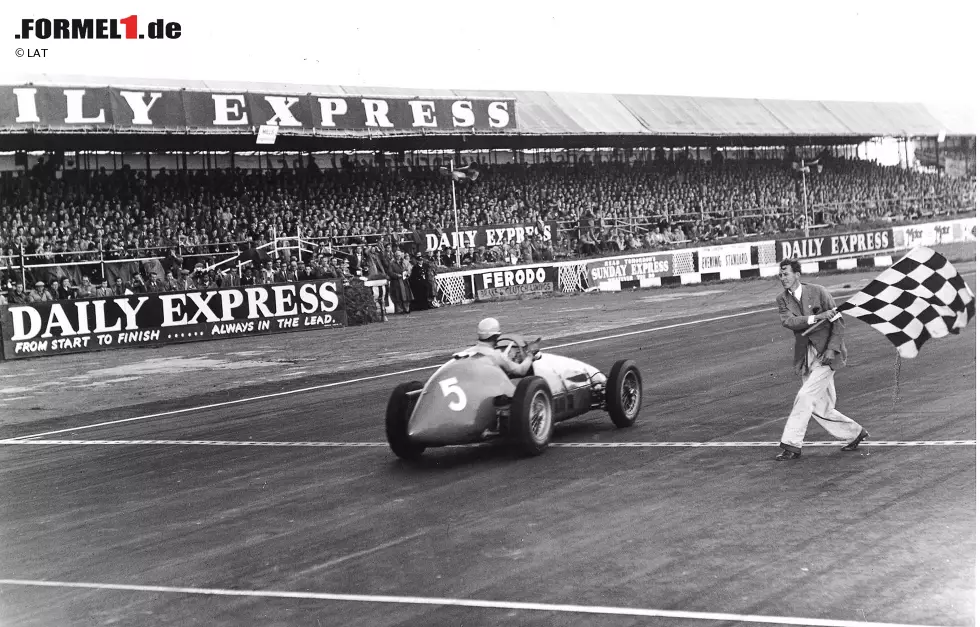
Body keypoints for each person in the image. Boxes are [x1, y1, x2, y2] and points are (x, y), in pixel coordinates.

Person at [774, 258, 869, 461]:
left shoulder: (819, 292)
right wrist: (816, 318)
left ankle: (791, 444)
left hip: (827, 353)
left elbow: (839, 324)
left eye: (786, 274)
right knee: (820, 406)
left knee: (805, 396)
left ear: (797, 275)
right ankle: (854, 433)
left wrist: (832, 350)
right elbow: (789, 321)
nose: (783, 278)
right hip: (806, 356)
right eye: (780, 275)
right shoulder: (782, 299)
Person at [460, 318, 534, 378]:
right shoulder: (497, 356)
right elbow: (521, 371)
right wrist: (530, 356)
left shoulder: (466, 352)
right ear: (496, 336)